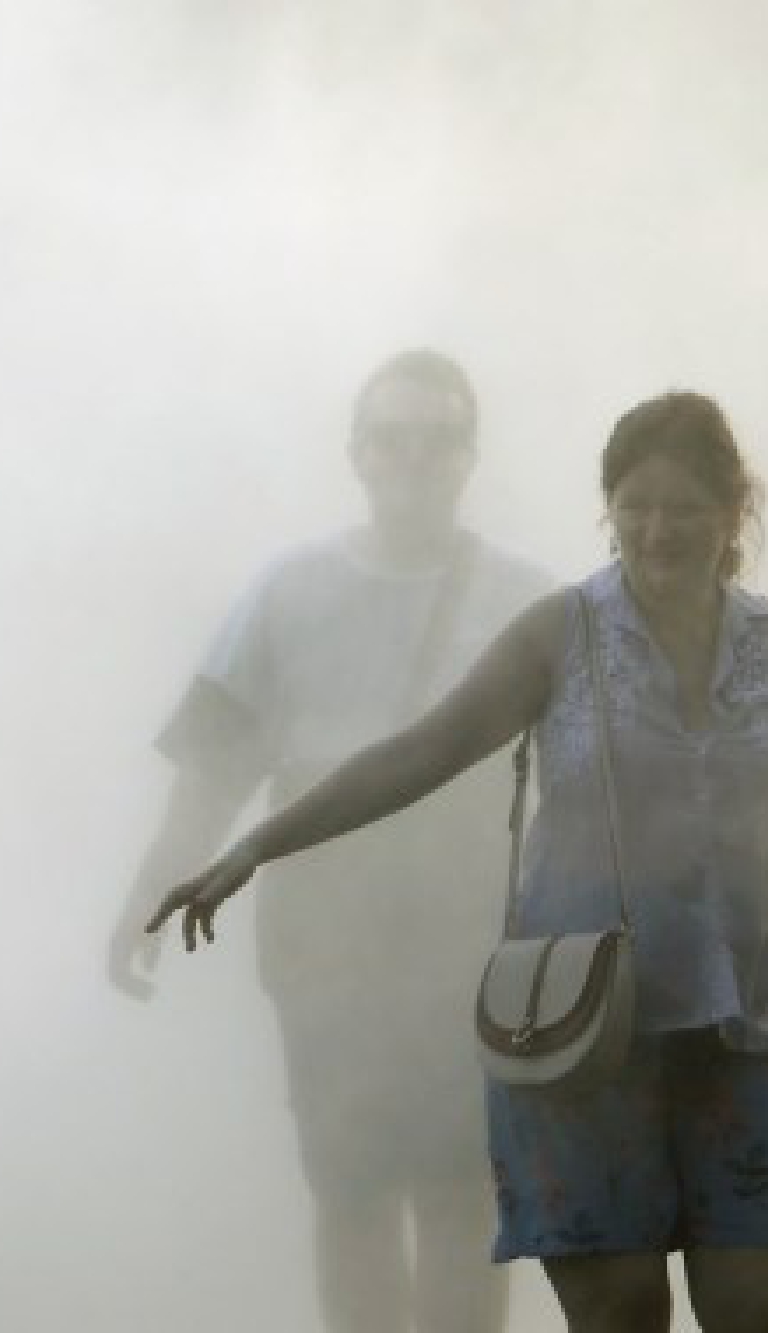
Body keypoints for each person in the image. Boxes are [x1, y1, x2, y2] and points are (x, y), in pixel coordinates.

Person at [144, 390, 768, 1333]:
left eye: (682, 508)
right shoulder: (560, 633)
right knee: (623, 1315)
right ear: (607, 512)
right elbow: (417, 754)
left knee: (760, 1312)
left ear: (734, 512)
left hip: (735, 1035)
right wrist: (251, 848)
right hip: (581, 1037)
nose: (655, 531)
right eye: (631, 507)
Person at [108, 349, 550, 1333]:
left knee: (461, 1183)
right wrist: (149, 895)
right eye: (391, 440)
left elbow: (586, 779)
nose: (412, 461)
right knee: (347, 1182)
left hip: (468, 915)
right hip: (323, 920)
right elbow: (213, 770)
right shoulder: (288, 590)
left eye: (435, 441)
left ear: (466, 456)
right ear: (357, 454)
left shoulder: (526, 599)